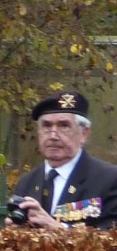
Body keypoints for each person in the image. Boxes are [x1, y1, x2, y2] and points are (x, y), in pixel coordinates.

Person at [8, 91, 117, 233]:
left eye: (63, 126)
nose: (53, 135)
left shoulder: (109, 179)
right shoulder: (27, 182)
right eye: (46, 126)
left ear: (84, 133)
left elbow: (112, 238)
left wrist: (59, 230)